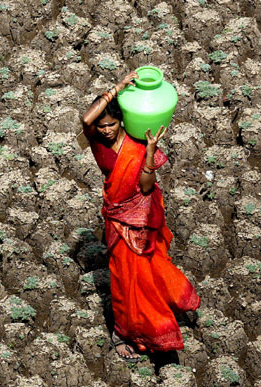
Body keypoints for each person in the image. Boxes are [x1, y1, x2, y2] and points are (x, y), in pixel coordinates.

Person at [80, 70, 201, 362]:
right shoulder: (98, 143)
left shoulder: (137, 145)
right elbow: (86, 120)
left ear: (121, 120)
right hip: (119, 220)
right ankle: (124, 332)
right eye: (102, 126)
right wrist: (117, 87)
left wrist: (148, 152)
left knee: (147, 272)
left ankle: (154, 314)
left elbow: (147, 188)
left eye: (110, 124)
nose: (105, 130)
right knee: (123, 279)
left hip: (143, 218)